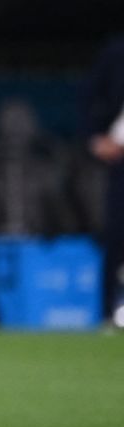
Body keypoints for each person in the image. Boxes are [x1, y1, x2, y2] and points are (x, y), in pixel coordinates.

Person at [85, 38, 124, 327]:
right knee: (116, 235)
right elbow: (88, 96)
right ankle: (108, 311)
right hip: (119, 162)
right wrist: (95, 138)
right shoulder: (115, 54)